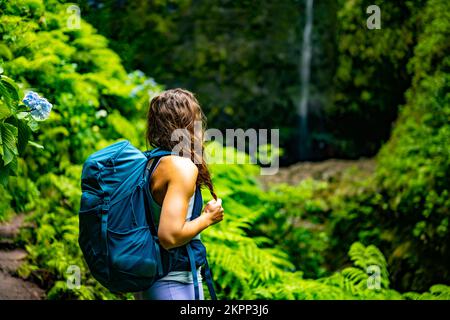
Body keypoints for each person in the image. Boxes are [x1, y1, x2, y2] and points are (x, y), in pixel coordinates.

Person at [134, 88, 224, 300]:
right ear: (186, 125)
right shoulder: (181, 167)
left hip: (150, 280)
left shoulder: (150, 162)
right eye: (196, 119)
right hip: (172, 283)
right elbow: (169, 236)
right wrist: (207, 218)